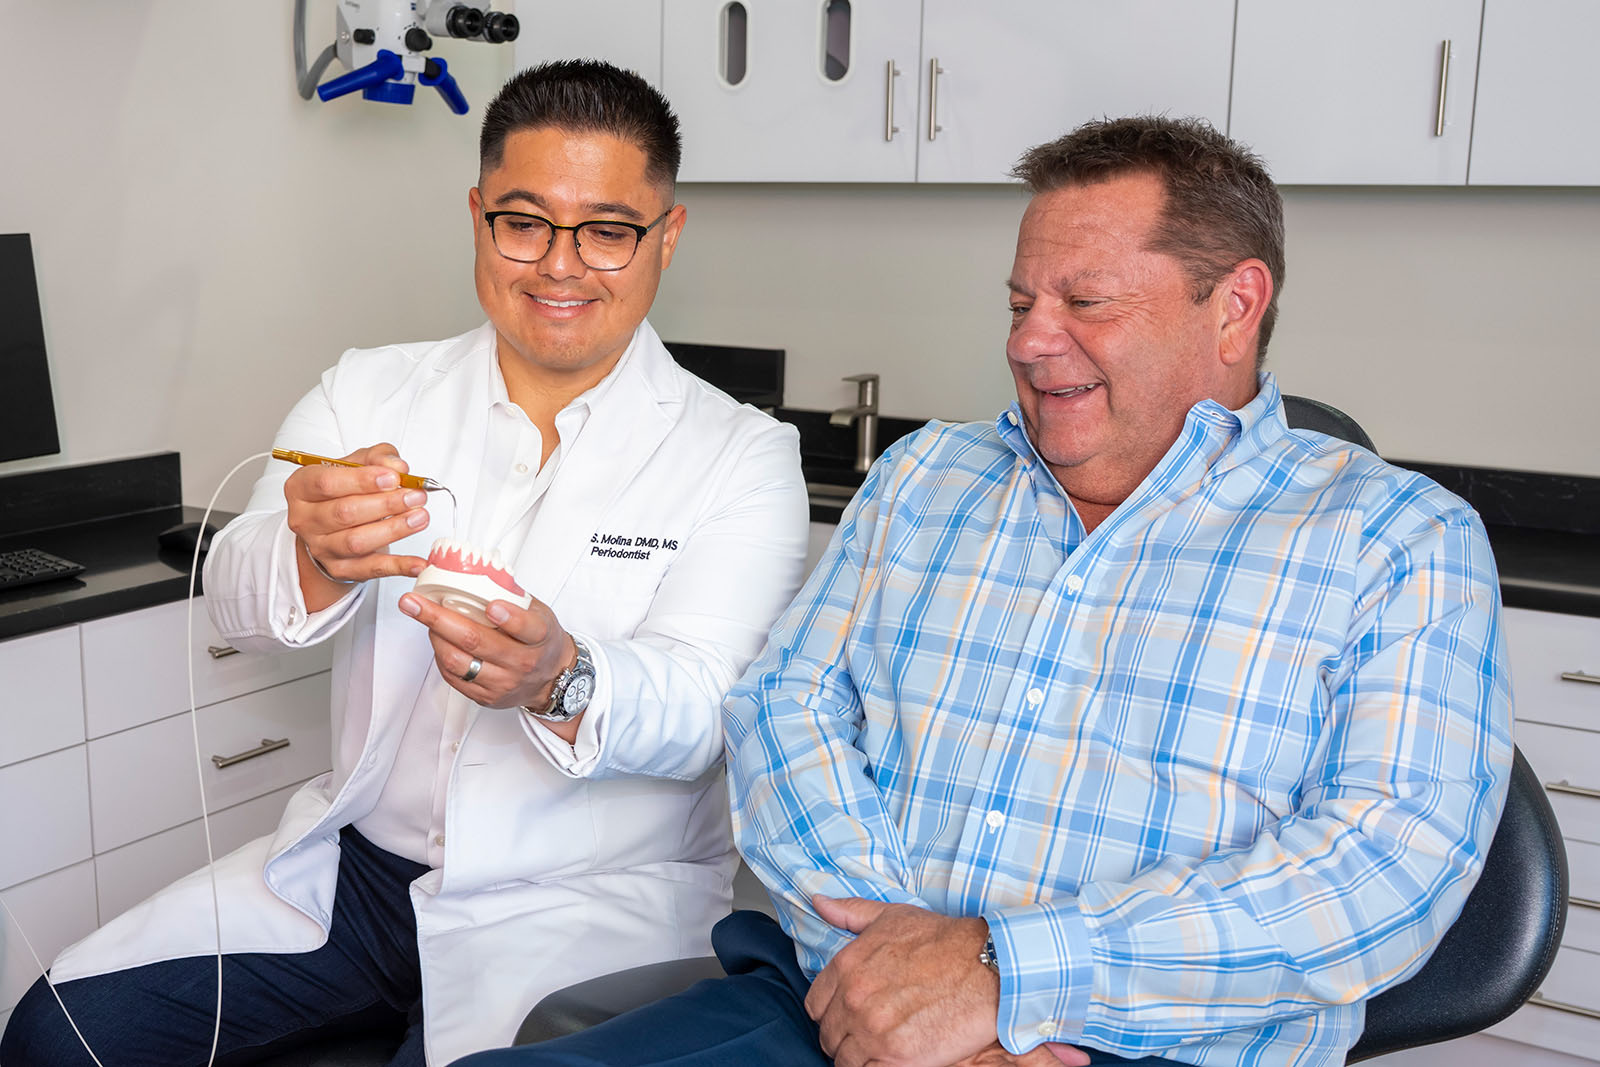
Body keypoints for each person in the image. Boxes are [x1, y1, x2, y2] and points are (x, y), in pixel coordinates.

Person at [452, 116, 1513, 1067]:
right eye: (1019, 300)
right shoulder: (927, 477)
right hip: (830, 1007)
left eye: (1083, 302)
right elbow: (784, 710)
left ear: (1233, 304)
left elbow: (1383, 867)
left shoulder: (1398, 539)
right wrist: (895, 984)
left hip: (1152, 1046)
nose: (1026, 339)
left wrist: (1001, 976)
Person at [3, 60, 809, 1067]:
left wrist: (563, 676)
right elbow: (236, 588)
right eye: (524, 221)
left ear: (665, 236)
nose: (560, 264)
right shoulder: (369, 391)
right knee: (56, 1036)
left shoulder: (743, 454)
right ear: (478, 217)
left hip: (578, 897)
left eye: (607, 230)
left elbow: (704, 708)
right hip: (355, 879)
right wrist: (317, 553)